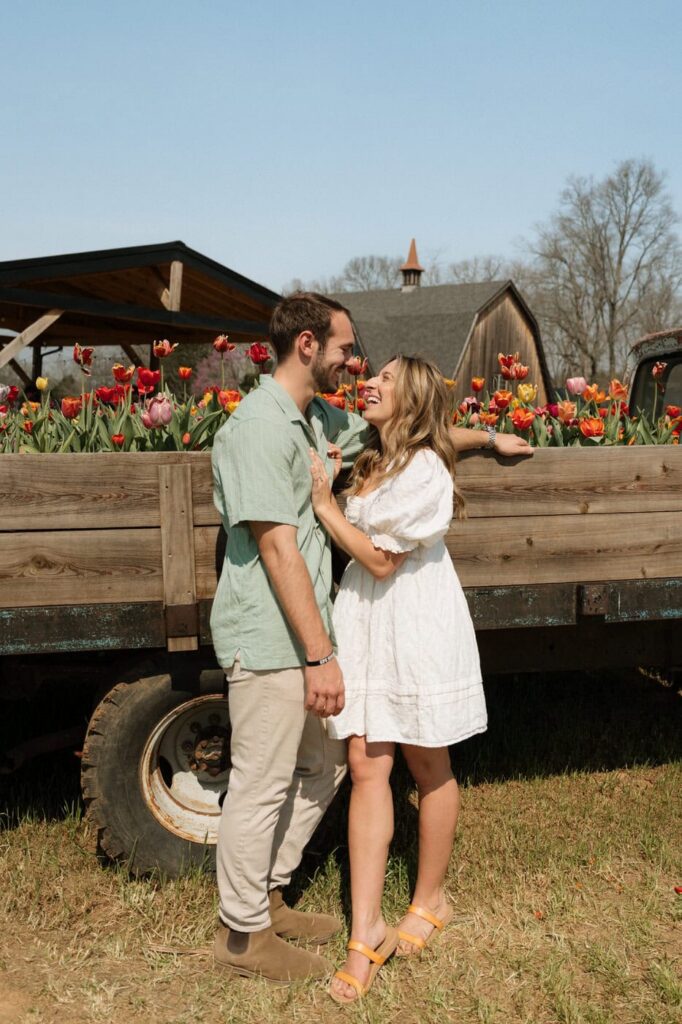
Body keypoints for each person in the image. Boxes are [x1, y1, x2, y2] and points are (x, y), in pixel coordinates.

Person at [210, 293, 532, 984]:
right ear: (306, 345)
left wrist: (489, 440)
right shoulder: (263, 429)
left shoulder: (318, 419)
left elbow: (419, 434)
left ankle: (267, 897)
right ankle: (242, 934)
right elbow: (277, 549)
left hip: (331, 629)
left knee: (324, 767)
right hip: (276, 631)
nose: (354, 364)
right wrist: (322, 652)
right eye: (344, 349)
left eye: (365, 361)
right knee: (264, 782)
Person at [307, 355, 489, 1004]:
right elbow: (453, 430)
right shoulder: (374, 455)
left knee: (425, 757)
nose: (371, 384)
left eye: (384, 380)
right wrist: (492, 435)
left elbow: (382, 561)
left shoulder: (426, 469)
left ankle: (431, 895)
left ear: (409, 399)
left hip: (413, 622)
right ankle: (367, 931)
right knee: (364, 763)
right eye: (372, 376)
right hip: (366, 622)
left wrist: (327, 508)